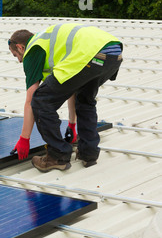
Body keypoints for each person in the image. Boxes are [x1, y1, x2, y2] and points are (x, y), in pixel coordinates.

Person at [9, 23, 123, 172]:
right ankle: (88, 154)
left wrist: (24, 139)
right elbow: (72, 87)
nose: (19, 61)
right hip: (113, 53)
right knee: (85, 100)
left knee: (41, 99)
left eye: (16, 55)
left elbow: (31, 101)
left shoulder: (33, 49)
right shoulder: (50, 43)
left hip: (90, 54)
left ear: (20, 47)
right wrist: (72, 125)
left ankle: (57, 156)